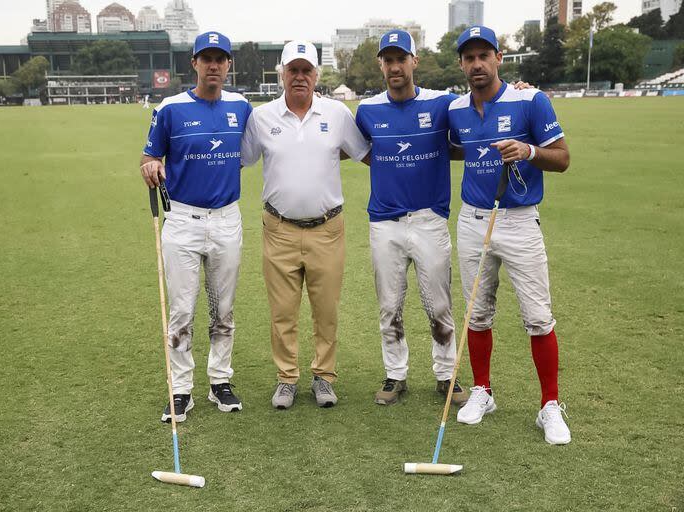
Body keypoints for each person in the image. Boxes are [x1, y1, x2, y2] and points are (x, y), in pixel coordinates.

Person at [447, 26, 572, 444]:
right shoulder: (456, 109)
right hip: (473, 220)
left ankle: (549, 405)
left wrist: (530, 151)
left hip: (519, 220)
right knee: (477, 313)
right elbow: (453, 146)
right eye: (469, 57)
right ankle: (482, 391)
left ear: (499, 57)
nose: (477, 64)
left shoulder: (530, 99)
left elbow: (563, 158)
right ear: (461, 64)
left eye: (484, 55)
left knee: (538, 317)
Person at [241, 41, 370, 409]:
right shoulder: (261, 117)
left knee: (325, 310)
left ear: (316, 75)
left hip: (327, 229)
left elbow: (366, 153)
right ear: (282, 73)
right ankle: (286, 378)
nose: (300, 77)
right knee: (282, 312)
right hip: (278, 228)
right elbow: (240, 159)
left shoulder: (338, 114)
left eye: (306, 70)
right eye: (293, 70)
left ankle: (324, 377)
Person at [140, 31, 252, 423]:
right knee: (182, 311)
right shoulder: (170, 108)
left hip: (227, 219)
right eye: (207, 59)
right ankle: (181, 389)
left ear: (228, 65)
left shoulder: (241, 106)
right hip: (183, 220)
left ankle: (220, 380)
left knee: (224, 310)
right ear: (194, 64)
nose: (214, 66)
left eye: (220, 59)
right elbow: (148, 157)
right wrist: (151, 166)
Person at [354, 30, 469, 407]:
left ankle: (445, 375)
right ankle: (395, 375)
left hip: (429, 219)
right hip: (384, 222)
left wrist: (518, 90)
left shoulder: (443, 105)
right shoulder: (368, 111)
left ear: (414, 62)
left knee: (439, 303)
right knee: (389, 304)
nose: (394, 66)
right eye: (388, 60)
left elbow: (479, 117)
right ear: (381, 65)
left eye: (401, 59)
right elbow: (363, 151)